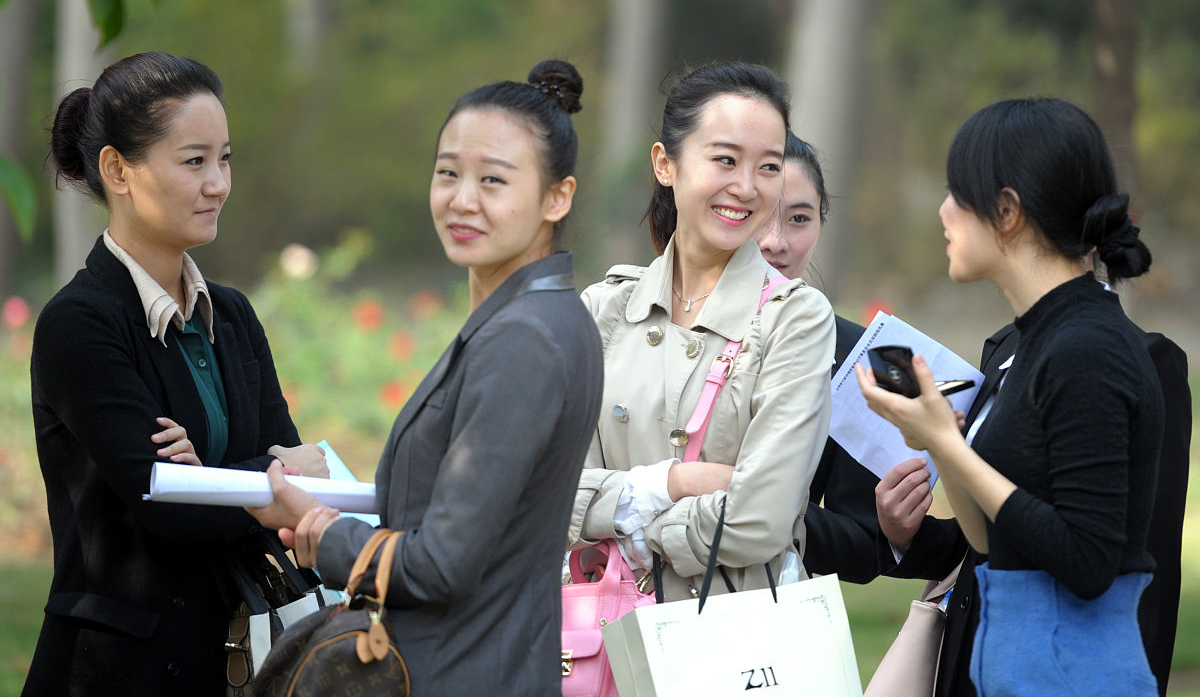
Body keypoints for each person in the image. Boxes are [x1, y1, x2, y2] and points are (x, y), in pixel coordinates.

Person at [249, 60, 604, 695]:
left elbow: (442, 565)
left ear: (558, 197)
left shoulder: (522, 336)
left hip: (459, 671)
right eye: (448, 173)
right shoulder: (550, 312)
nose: (462, 199)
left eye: (493, 180)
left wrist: (323, 533)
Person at [25, 51, 328, 696]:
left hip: (233, 659)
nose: (217, 182)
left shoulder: (234, 316)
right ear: (117, 169)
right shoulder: (79, 324)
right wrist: (245, 480)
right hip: (113, 674)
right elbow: (164, 504)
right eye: (194, 161)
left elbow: (288, 483)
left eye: (225, 159)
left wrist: (212, 482)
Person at [857, 97, 1163, 695]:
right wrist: (938, 441)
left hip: (1073, 676)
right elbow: (989, 540)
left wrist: (948, 441)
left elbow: (1087, 561)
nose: (943, 211)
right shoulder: (1032, 340)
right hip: (1017, 671)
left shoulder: (1088, 350)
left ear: (1007, 211)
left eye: (956, 191)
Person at [567, 62, 836, 600]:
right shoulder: (605, 309)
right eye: (725, 160)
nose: (746, 187)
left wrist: (620, 519)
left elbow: (762, 518)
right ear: (666, 164)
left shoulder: (795, 318)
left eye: (768, 166)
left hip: (731, 645)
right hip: (599, 639)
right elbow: (541, 489)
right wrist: (670, 485)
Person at [876, 321, 1190, 696]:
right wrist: (907, 535)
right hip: (972, 653)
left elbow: (1150, 566)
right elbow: (986, 536)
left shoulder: (1146, 358)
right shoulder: (1006, 345)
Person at [754, 132, 881, 584]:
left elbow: (864, 544)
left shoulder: (853, 353)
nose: (775, 242)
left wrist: (760, 513)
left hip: (772, 614)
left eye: (799, 219)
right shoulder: (647, 322)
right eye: (761, 216)